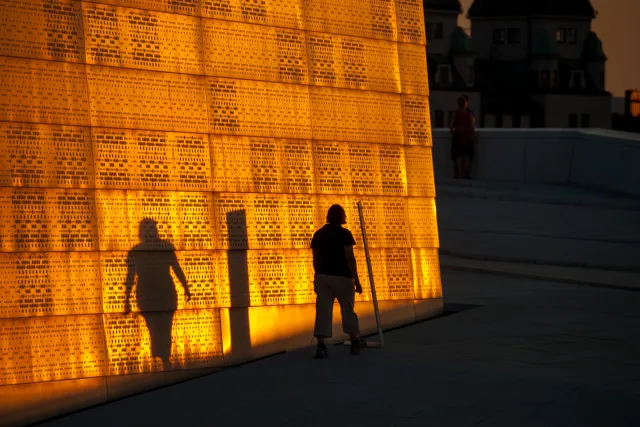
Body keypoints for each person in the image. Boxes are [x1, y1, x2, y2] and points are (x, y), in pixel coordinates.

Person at [311, 205, 364, 359]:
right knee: (348, 310)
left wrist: (318, 274)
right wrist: (357, 280)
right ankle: (354, 341)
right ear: (342, 216)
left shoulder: (318, 234)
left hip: (322, 277)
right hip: (342, 277)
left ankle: (321, 346)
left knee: (323, 311)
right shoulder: (345, 234)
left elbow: (315, 258)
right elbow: (349, 258)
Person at [450, 95, 476, 180]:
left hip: (457, 137)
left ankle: (458, 175)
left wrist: (455, 131)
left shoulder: (456, 113)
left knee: (457, 156)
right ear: (466, 103)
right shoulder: (470, 114)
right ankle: (465, 175)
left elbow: (451, 126)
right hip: (467, 137)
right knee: (467, 156)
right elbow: (472, 127)